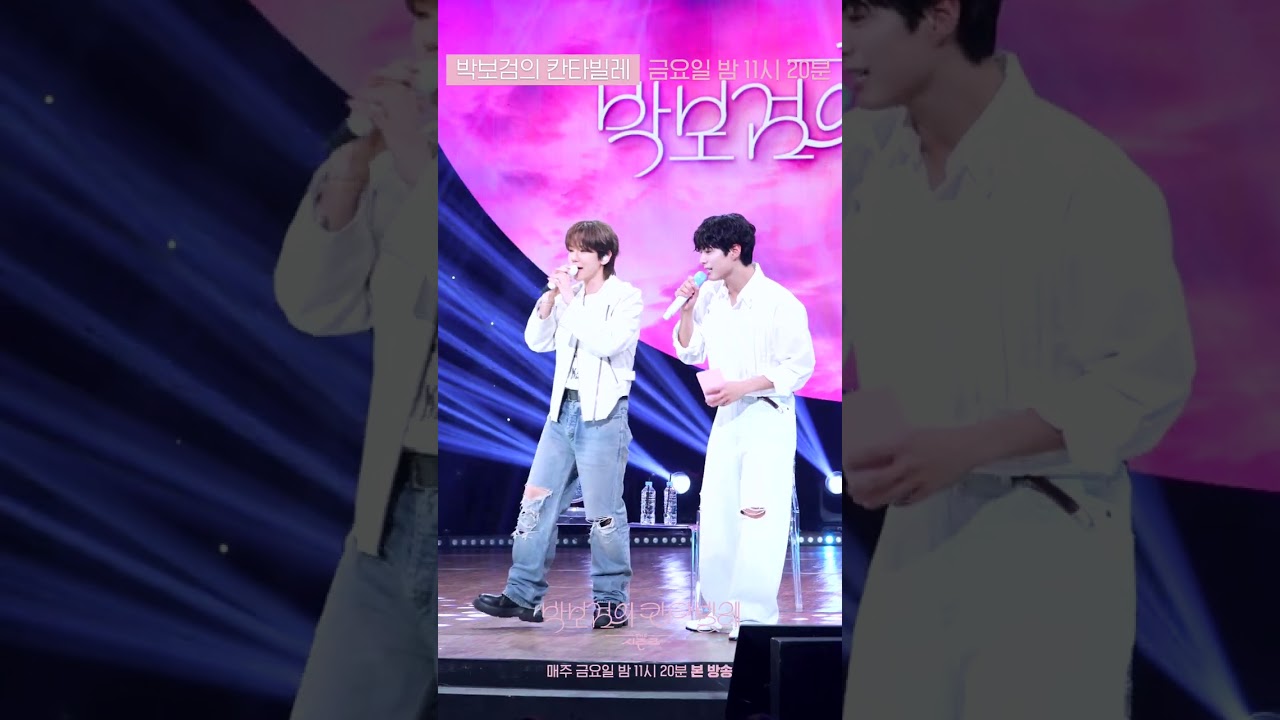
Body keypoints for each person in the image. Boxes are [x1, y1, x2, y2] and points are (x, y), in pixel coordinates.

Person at [841, 1, 1196, 719]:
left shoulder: (1083, 176)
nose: (838, 41)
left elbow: (1145, 380)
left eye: (860, 15)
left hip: (1049, 530)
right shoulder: (869, 166)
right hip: (912, 534)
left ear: (940, 16)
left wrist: (967, 447)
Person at [273, 1, 439, 718]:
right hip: (393, 513)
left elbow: (495, 305)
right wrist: (352, 166)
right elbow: (318, 306)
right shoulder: (411, 158)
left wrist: (414, 166)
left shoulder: (569, 152)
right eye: (422, 23)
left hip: (508, 524)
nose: (425, 45)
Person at [473, 220, 643, 630]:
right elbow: (537, 341)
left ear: (605, 256)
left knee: (603, 514)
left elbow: (606, 342)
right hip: (561, 413)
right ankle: (522, 595)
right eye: (571, 249)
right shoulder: (570, 296)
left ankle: (611, 602)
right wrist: (550, 300)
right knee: (535, 505)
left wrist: (569, 299)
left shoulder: (626, 297)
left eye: (583, 250)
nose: (574, 258)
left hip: (603, 416)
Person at [672, 213, 816, 641]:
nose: (702, 260)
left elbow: (798, 367)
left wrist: (743, 387)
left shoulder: (779, 302)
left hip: (767, 415)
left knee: (758, 514)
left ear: (735, 250)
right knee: (717, 511)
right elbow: (689, 350)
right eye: (699, 252)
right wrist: (687, 310)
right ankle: (720, 611)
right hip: (727, 417)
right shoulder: (711, 298)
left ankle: (752, 615)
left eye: (708, 251)